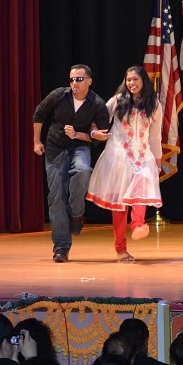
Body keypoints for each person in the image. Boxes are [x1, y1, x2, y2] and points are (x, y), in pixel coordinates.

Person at [32, 63, 110, 263]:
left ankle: (77, 213)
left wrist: (77, 135)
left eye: (79, 79)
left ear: (89, 81)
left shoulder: (97, 104)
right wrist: (36, 141)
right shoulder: (59, 95)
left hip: (79, 146)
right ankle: (61, 247)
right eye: (72, 79)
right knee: (56, 197)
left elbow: (99, 136)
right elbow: (39, 114)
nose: (74, 83)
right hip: (55, 148)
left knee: (83, 170)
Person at [86, 65, 163, 263]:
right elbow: (99, 118)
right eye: (128, 80)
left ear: (143, 81)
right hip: (119, 156)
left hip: (143, 156)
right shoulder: (118, 101)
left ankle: (138, 225)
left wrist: (157, 160)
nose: (131, 83)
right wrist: (95, 132)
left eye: (135, 79)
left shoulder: (154, 104)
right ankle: (121, 248)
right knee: (119, 205)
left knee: (142, 189)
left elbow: (155, 136)